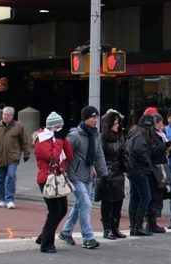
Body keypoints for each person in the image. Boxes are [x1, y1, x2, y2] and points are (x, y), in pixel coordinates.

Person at [59, 106, 108, 249]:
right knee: (85, 204)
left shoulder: (95, 135)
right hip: (75, 175)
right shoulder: (75, 136)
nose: (95, 120)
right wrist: (66, 173)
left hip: (87, 175)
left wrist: (103, 172)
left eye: (97, 117)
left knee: (80, 204)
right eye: (92, 117)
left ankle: (66, 231)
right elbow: (66, 155)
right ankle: (88, 237)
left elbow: (99, 154)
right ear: (85, 118)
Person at [34, 112, 73, 254]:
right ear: (53, 127)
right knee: (55, 212)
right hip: (47, 180)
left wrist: (62, 139)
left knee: (62, 210)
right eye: (59, 127)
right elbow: (53, 158)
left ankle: (44, 236)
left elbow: (69, 155)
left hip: (58, 179)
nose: (61, 130)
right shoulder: (41, 140)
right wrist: (59, 141)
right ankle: (46, 244)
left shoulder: (57, 138)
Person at [0, 106, 31, 209]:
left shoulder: (18, 127)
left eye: (8, 115)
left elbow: (24, 141)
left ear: (12, 116)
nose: (5, 116)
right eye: (4, 114)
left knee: (11, 176)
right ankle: (2, 199)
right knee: (0, 179)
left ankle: (10, 199)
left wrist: (26, 153)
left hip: (13, 156)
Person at [98, 110, 127, 240]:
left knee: (118, 202)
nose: (117, 126)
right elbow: (99, 157)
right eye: (115, 123)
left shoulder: (120, 137)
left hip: (118, 173)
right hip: (108, 174)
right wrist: (103, 173)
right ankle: (107, 229)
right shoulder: (103, 138)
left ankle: (115, 227)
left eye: (118, 123)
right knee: (108, 203)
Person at [125, 114, 155, 236]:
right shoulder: (142, 134)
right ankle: (138, 226)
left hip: (132, 169)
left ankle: (134, 226)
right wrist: (148, 162)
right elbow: (139, 150)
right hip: (139, 170)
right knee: (145, 197)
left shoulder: (133, 132)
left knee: (135, 197)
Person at [145, 113, 171, 234]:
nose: (161, 125)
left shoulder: (161, 135)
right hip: (155, 168)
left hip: (161, 165)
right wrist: (164, 146)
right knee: (154, 196)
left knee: (158, 195)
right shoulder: (150, 136)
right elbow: (152, 151)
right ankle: (150, 223)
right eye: (159, 123)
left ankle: (152, 223)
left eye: (162, 122)